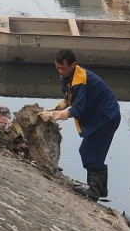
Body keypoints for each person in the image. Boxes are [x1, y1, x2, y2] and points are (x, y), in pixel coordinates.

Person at [38, 49, 121, 201]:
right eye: (57, 67)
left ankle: (94, 191)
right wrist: (56, 108)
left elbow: (77, 109)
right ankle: (100, 190)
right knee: (92, 151)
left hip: (107, 117)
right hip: (99, 116)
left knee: (89, 151)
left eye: (63, 68)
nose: (60, 71)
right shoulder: (69, 76)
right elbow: (70, 99)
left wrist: (53, 116)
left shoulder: (80, 80)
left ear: (73, 65)